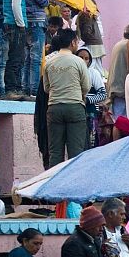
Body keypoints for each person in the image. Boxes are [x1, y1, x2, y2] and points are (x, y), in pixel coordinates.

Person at [40, 28, 89, 166]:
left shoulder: (49, 62)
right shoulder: (78, 61)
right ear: (73, 42)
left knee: (55, 153)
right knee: (76, 153)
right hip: (75, 107)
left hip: (54, 108)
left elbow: (46, 88)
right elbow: (86, 86)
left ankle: (54, 183)